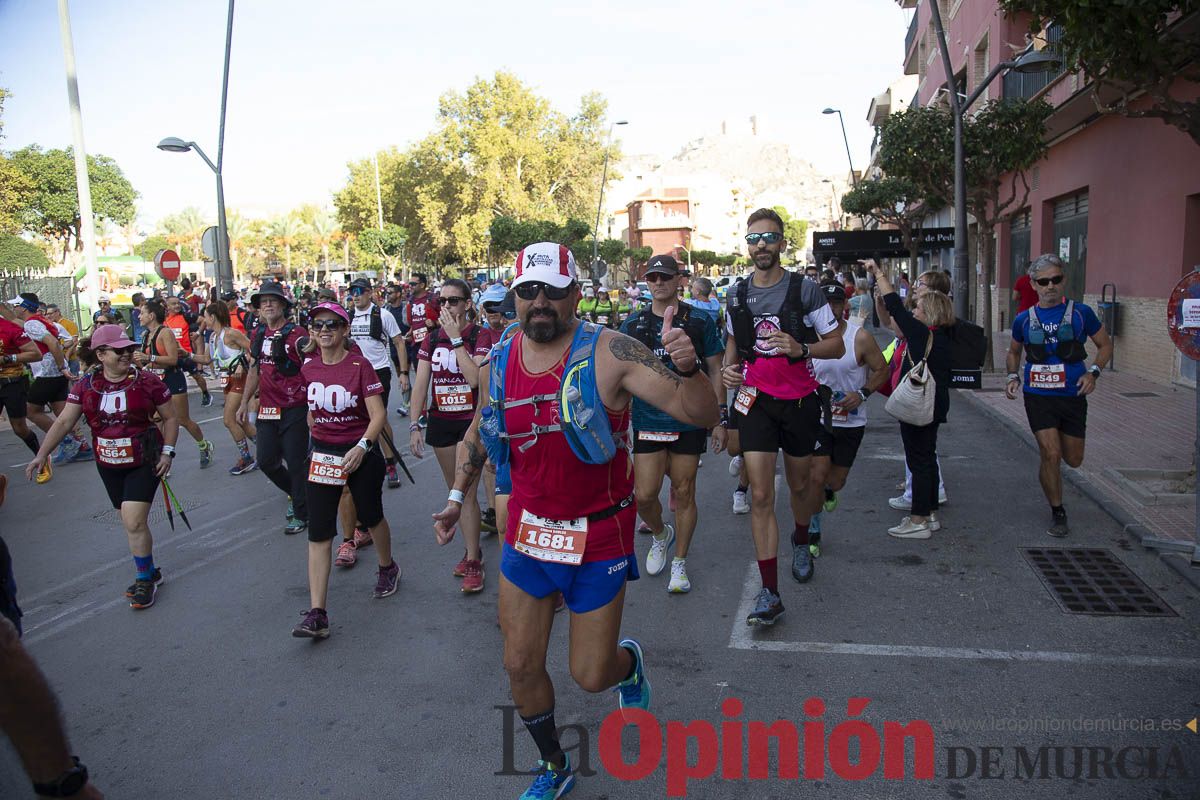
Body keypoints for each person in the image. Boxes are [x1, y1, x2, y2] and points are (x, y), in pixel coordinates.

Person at [431, 241, 718, 799]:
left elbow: (698, 412)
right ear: (515, 296)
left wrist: (689, 369)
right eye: (529, 291)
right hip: (530, 534)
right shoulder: (504, 355)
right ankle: (555, 764)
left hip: (600, 537)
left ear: (575, 294)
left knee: (591, 674)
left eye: (553, 291)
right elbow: (481, 431)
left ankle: (627, 663)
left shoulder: (613, 351)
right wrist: (454, 495)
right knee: (518, 663)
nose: (540, 302)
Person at [722, 209, 844, 624]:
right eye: (754, 238)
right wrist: (728, 370)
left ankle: (800, 532)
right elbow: (732, 350)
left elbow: (836, 345)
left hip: (799, 401)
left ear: (781, 244)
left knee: (799, 484)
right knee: (759, 494)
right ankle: (770, 592)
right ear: (747, 244)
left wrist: (801, 348)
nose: (761, 245)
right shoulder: (736, 295)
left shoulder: (804, 290)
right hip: (756, 401)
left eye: (769, 237)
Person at [27, 324, 178, 609]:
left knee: (134, 520)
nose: (127, 354)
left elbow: (170, 418)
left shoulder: (148, 382)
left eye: (129, 349)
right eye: (119, 350)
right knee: (129, 521)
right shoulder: (86, 386)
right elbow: (63, 422)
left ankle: (145, 579)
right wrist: (42, 454)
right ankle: (150, 569)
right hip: (107, 462)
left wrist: (168, 452)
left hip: (143, 460)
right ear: (100, 354)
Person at [291, 302, 399, 639]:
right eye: (318, 325)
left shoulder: (360, 365)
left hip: (361, 451)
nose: (324, 331)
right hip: (324, 456)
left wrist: (363, 446)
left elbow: (378, 414)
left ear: (344, 330)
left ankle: (387, 567)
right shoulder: (307, 368)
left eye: (332, 325)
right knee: (320, 532)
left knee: (372, 514)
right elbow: (308, 409)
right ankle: (317, 612)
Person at [619, 254, 724, 593]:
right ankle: (662, 535)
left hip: (689, 421)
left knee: (684, 491)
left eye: (665, 276)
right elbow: (618, 376)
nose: (659, 282)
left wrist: (719, 418)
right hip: (647, 421)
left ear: (679, 280)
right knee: (644, 495)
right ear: (645, 282)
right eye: (652, 277)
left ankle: (680, 562)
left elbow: (715, 370)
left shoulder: (701, 320)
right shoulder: (631, 324)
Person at [1005, 253, 1112, 538]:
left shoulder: (1081, 313)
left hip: (1072, 395)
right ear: (1034, 284)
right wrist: (1012, 376)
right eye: (1044, 281)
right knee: (1050, 453)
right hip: (1038, 396)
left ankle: (1052, 474)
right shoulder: (1023, 320)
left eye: (1056, 279)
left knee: (1073, 459)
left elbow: (1105, 345)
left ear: (1063, 280)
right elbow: (1014, 351)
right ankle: (1057, 511)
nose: (1050, 286)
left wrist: (1093, 373)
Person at [410, 278, 495, 593]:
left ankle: (473, 559)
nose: (446, 307)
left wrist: (457, 340)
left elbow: (475, 379)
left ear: (468, 304)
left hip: (470, 422)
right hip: (441, 421)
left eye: (454, 300)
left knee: (467, 493)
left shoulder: (480, 335)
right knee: (455, 493)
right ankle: (472, 550)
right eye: (442, 301)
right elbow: (421, 383)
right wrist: (414, 424)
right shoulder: (431, 340)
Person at [799, 282, 889, 562]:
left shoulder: (858, 338)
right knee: (816, 474)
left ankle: (828, 491)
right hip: (816, 419)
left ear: (844, 307)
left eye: (836, 303)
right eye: (825, 303)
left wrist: (862, 393)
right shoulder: (806, 338)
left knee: (835, 481)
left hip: (850, 420)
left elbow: (882, 370)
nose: (831, 308)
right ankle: (812, 532)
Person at [867, 260, 954, 540]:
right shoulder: (943, 336)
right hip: (936, 404)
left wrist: (879, 273)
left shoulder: (920, 333)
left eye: (917, 307)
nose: (912, 310)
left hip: (919, 405)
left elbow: (893, 305)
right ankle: (929, 514)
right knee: (926, 458)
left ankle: (917, 519)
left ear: (928, 313)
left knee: (918, 461)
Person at [237, 282, 310, 534]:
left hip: (295, 408)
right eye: (263, 301)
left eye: (273, 300)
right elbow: (255, 369)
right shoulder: (257, 334)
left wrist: (313, 407)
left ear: (283, 305)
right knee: (266, 461)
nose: (267, 305)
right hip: (267, 409)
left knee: (296, 461)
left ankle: (301, 513)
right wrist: (244, 401)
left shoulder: (298, 334)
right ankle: (298, 494)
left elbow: (312, 370)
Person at [8, 294, 86, 481]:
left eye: (16, 306)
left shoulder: (31, 324)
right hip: (56, 373)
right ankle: (81, 444)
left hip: (48, 373)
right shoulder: (40, 321)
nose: (14, 310)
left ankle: (65, 441)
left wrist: (61, 366)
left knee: (31, 411)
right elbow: (62, 341)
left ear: (24, 307)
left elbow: (52, 343)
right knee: (64, 413)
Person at [132, 299, 214, 469]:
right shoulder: (146, 335)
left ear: (152, 315)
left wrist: (149, 358)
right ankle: (159, 458)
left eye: (142, 313)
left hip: (172, 379)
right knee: (156, 420)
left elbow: (172, 359)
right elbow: (147, 362)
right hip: (156, 381)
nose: (139, 316)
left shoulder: (165, 333)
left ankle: (204, 445)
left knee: (182, 419)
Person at [346, 278, 410, 488]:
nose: (355, 295)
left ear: (369, 293)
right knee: (358, 419)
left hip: (378, 372)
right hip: (354, 373)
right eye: (352, 292)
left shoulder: (383, 315)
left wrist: (403, 372)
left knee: (379, 419)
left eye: (359, 291)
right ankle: (365, 457)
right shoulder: (349, 317)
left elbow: (399, 343)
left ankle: (390, 462)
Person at [190, 302, 257, 474]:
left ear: (213, 317)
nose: (204, 320)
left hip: (239, 379)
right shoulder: (213, 337)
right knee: (241, 420)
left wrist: (243, 362)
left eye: (206, 316)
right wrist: (186, 355)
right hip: (226, 381)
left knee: (229, 420)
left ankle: (247, 458)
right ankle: (269, 449)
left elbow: (254, 349)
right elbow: (206, 360)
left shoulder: (231, 334)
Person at [164, 295, 212, 407]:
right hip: (172, 355)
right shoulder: (163, 320)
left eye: (178, 303)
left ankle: (205, 393)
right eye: (173, 304)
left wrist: (198, 333)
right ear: (167, 307)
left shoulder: (186, 316)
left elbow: (204, 321)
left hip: (186, 354)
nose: (177, 306)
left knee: (196, 375)